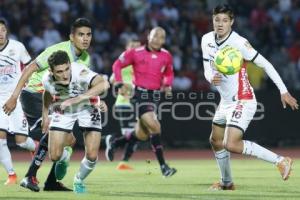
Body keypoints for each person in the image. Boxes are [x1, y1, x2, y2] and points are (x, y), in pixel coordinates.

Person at [201, 4, 299, 190]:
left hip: (242, 99)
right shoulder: (206, 39)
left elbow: (266, 64)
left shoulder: (239, 43)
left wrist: (283, 90)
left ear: (232, 22)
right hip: (226, 101)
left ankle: (281, 161)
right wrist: (210, 77)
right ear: (212, 20)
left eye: (224, 20)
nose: (220, 24)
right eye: (217, 20)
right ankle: (227, 183)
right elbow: (207, 68)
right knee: (215, 140)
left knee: (230, 143)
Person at [2, 18, 93, 192]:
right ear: (71, 37)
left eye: (88, 34)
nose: (85, 38)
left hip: (54, 98)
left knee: (71, 141)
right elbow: (30, 68)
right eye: (81, 35)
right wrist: (14, 97)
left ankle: (51, 182)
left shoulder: (86, 59)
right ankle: (30, 176)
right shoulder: (58, 50)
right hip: (34, 94)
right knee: (52, 131)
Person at [108, 27, 177, 177]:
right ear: (148, 37)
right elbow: (117, 65)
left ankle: (115, 143)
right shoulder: (136, 52)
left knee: (143, 134)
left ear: (164, 40)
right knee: (155, 126)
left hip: (155, 96)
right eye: (155, 36)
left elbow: (169, 73)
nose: (158, 39)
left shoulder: (166, 56)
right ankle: (164, 167)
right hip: (139, 94)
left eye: (161, 37)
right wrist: (119, 83)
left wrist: (167, 84)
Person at [42, 50, 109, 193]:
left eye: (67, 69)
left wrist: (79, 99)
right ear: (51, 71)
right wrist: (45, 115)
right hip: (64, 108)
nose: (65, 75)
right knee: (54, 156)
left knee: (91, 155)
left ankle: (79, 179)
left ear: (70, 65)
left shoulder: (80, 71)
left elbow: (104, 84)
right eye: (59, 72)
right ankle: (65, 156)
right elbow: (47, 93)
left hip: (87, 106)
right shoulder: (46, 79)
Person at [0, 19, 37, 185]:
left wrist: (27, 88)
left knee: (21, 142)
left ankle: (35, 146)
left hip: (17, 97)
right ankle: (11, 174)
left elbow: (30, 67)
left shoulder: (17, 47)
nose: (0, 34)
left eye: (2, 30)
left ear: (6, 31)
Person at [106, 39, 141, 170]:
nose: (134, 49)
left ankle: (122, 159)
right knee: (131, 134)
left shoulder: (138, 62)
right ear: (127, 47)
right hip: (124, 103)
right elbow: (111, 79)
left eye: (137, 47)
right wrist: (123, 86)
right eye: (132, 46)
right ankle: (114, 145)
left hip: (136, 103)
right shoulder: (123, 62)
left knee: (136, 135)